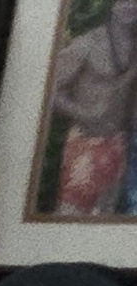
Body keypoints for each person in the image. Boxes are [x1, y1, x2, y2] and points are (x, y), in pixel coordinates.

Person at [47, 0, 137, 217]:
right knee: (71, 216)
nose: (131, 6)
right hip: (84, 145)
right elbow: (49, 89)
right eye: (124, 1)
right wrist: (82, 112)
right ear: (111, 5)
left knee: (103, 219)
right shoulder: (88, 43)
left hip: (118, 146)